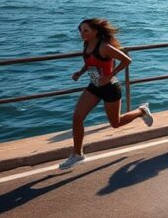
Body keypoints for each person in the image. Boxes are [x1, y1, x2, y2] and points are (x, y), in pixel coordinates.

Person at [59, 19, 154, 170]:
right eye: (81, 31)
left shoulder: (104, 47)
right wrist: (80, 72)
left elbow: (127, 60)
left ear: (95, 31)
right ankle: (77, 154)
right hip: (95, 86)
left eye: (86, 31)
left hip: (110, 87)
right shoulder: (86, 44)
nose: (82, 34)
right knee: (77, 117)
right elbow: (89, 62)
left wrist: (110, 75)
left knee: (115, 123)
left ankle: (141, 111)